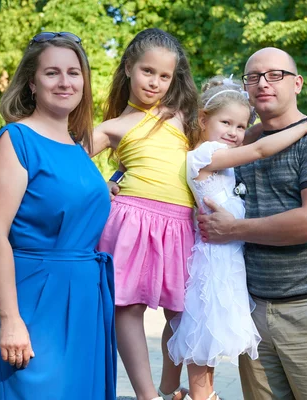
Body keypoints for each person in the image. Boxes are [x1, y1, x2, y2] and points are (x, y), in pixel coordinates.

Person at [197, 47, 307, 400]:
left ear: (297, 83)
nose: (262, 84)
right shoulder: (238, 144)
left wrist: (233, 230)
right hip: (251, 313)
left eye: (274, 75)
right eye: (252, 77)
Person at [166, 76, 307, 400]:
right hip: (214, 261)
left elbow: (252, 137)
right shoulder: (206, 155)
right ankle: (200, 397)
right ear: (203, 119)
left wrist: (249, 126)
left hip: (232, 260)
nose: (233, 132)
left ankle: (203, 395)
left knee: (214, 341)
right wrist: (306, 125)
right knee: (204, 338)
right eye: (225, 122)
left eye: (240, 125)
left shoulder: (225, 153)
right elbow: (258, 147)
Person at [0, 32, 116, 399]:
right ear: (32, 83)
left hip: (86, 299)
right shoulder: (16, 140)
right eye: (52, 72)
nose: (65, 82)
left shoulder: (77, 148)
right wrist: (10, 319)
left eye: (74, 73)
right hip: (37, 301)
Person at [92, 28, 200, 400]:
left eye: (164, 75)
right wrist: (97, 183)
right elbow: (62, 161)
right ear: (128, 69)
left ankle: (172, 390)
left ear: (174, 79)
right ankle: (146, 396)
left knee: (186, 311)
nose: (154, 82)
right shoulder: (113, 127)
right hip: (133, 220)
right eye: (147, 71)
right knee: (128, 307)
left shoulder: (183, 118)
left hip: (181, 226)